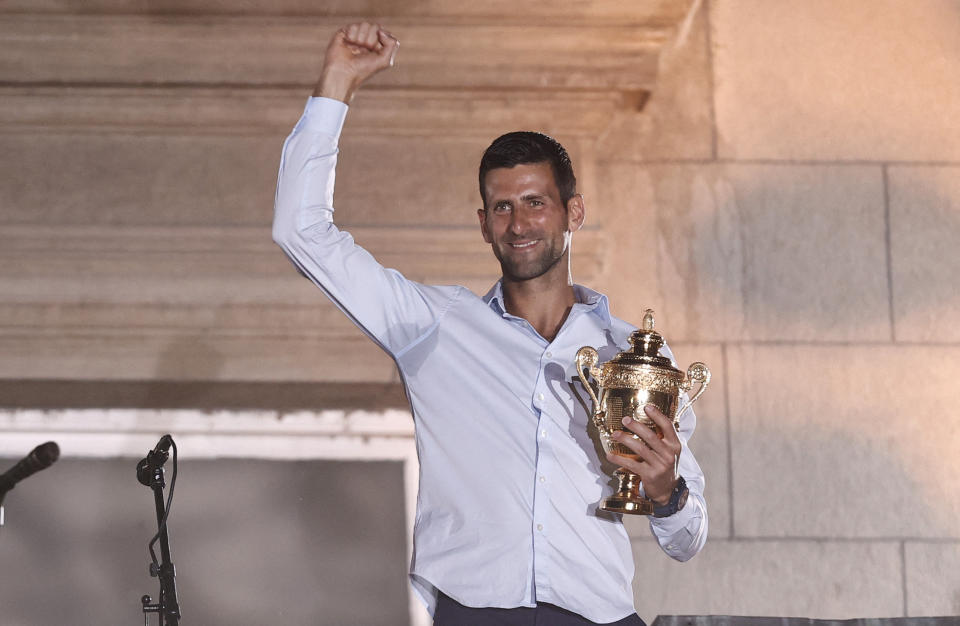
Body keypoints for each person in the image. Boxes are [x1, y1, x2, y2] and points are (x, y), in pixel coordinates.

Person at [273, 22, 707, 626]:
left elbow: (687, 540)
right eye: (501, 207)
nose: (519, 222)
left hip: (599, 615)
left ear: (572, 212)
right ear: (483, 224)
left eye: (535, 202)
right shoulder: (433, 328)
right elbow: (301, 233)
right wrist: (337, 84)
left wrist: (667, 493)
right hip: (474, 610)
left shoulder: (633, 357)